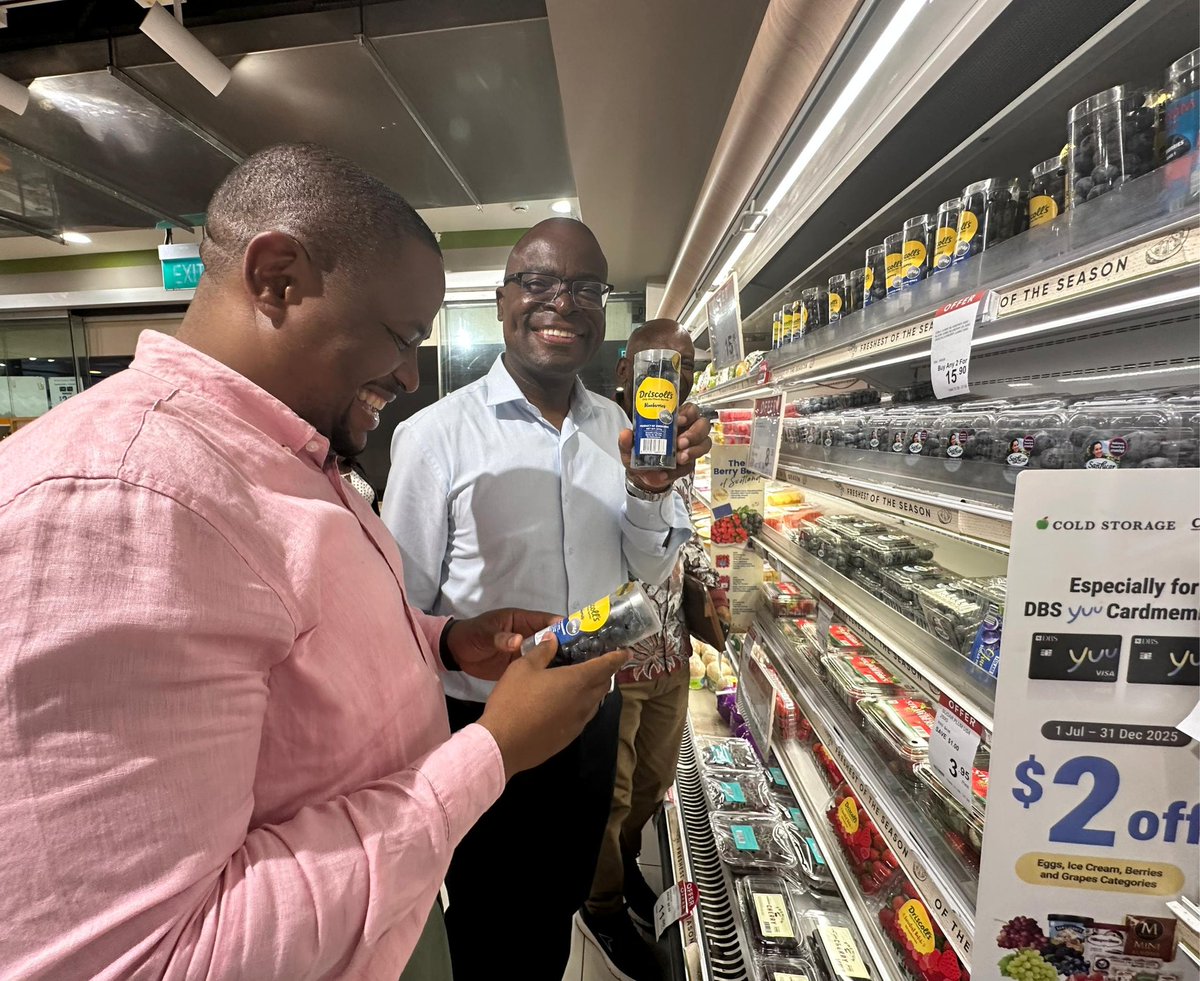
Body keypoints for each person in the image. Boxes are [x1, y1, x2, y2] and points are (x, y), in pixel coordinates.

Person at [0, 144, 627, 981]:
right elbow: (154, 955)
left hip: (389, 916)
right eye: (400, 337)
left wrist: (440, 640)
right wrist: (492, 752)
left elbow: (289, 645)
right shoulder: (114, 500)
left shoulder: (284, 452)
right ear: (277, 279)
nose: (410, 375)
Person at [383, 218, 712, 980]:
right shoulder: (436, 436)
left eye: (585, 287)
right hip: (484, 725)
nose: (562, 301)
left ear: (603, 310)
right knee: (491, 917)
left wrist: (650, 489)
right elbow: (398, 612)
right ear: (503, 301)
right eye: (538, 282)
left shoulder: (621, 428)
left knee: (560, 899)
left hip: (595, 714)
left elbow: (648, 565)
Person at [581, 319, 724, 981]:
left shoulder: (684, 438)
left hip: (672, 649)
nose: (673, 376)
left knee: (653, 782)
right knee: (611, 793)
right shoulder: (599, 439)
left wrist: (711, 586)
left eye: (685, 365)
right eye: (657, 363)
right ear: (625, 372)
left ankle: (626, 869)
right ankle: (601, 905)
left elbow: (683, 538)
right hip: (616, 652)